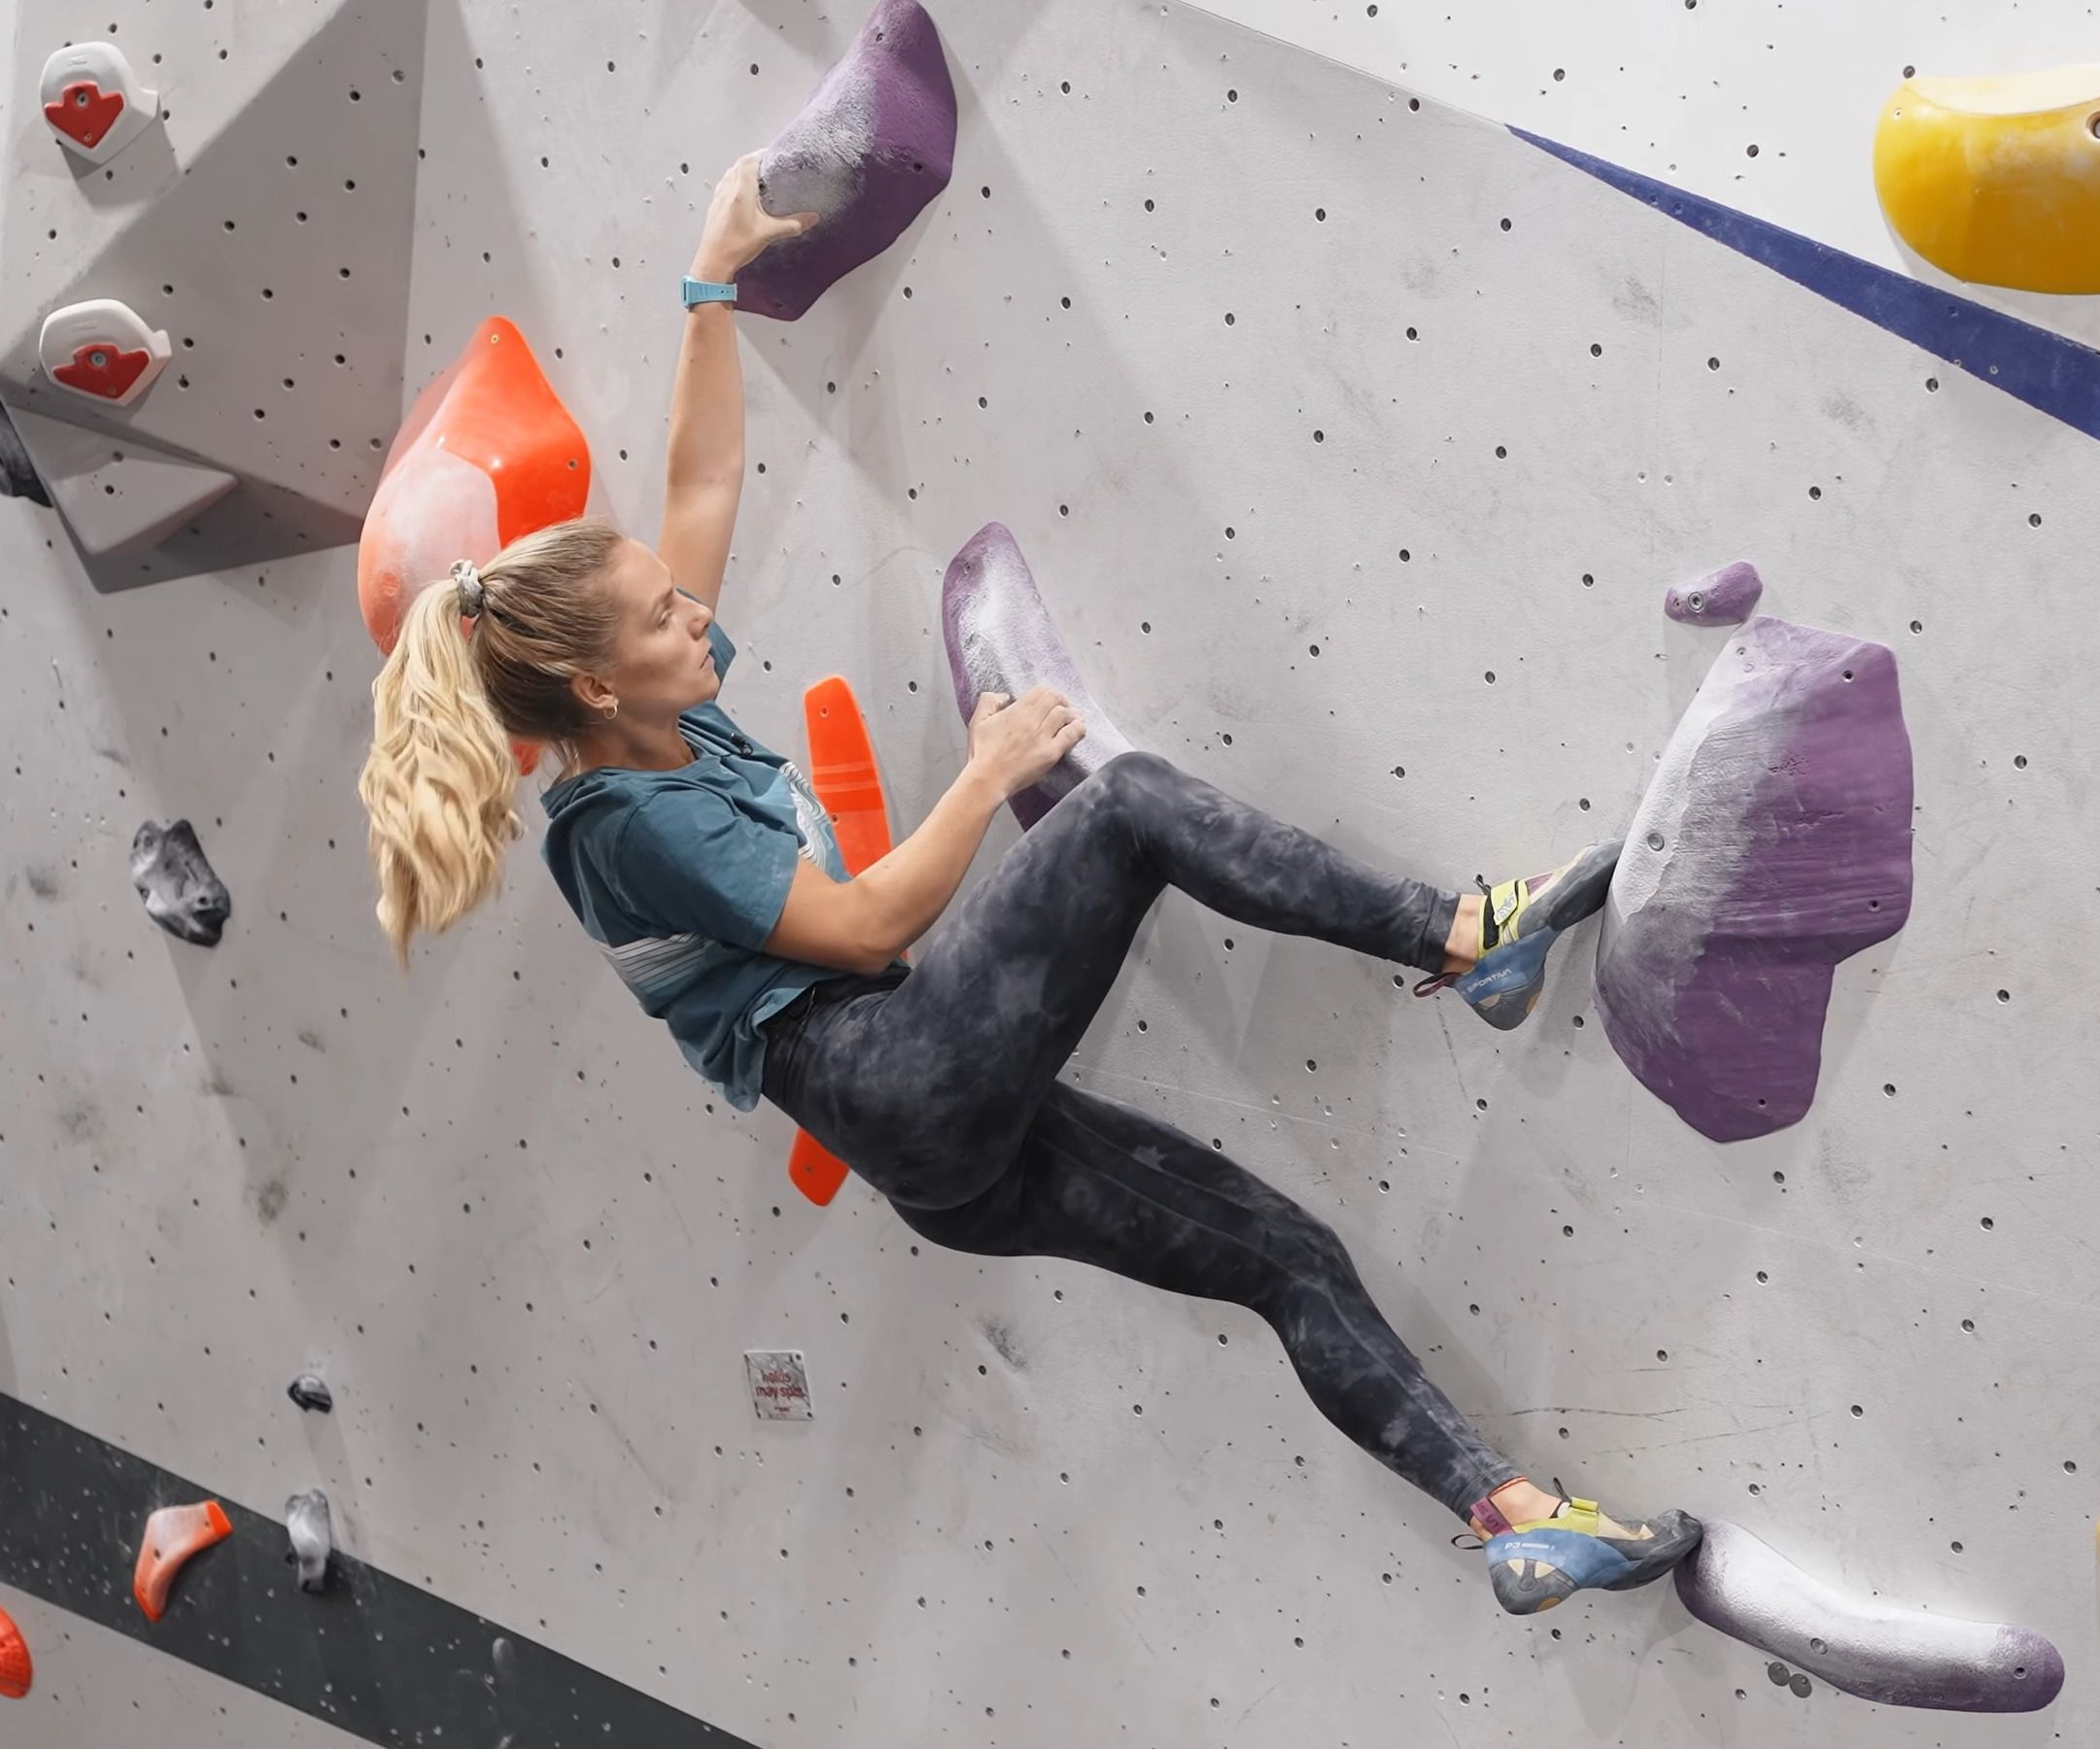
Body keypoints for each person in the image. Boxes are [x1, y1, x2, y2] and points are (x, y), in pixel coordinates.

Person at [355, 153, 1698, 1617]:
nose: (698, 612)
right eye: (667, 616)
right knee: (1123, 808)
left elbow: (698, 478)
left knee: (1282, 1254)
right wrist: (986, 774)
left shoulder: (654, 706)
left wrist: (707, 280)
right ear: (598, 681)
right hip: (892, 1064)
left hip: (936, 1141)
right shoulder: (626, 821)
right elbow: (863, 923)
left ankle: (1508, 1515)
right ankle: (1469, 936)